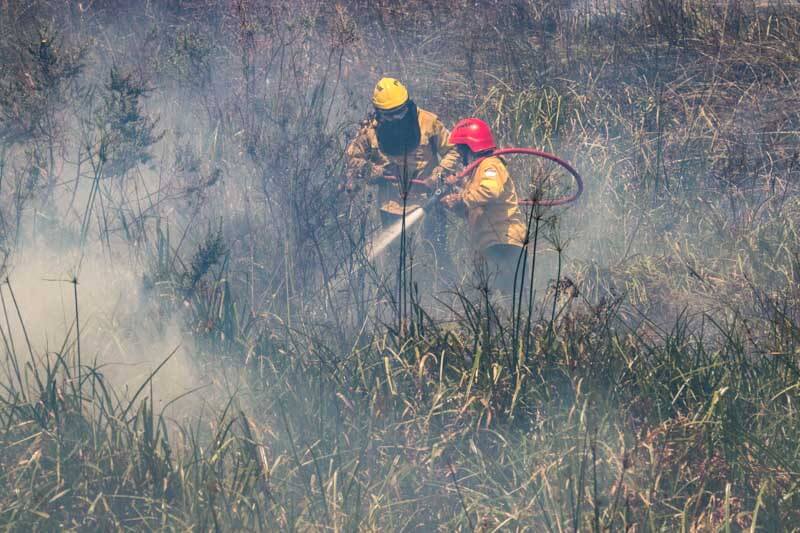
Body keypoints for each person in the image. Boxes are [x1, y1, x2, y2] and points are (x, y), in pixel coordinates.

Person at [344, 77, 459, 278]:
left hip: (429, 202)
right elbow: (352, 158)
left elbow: (454, 150)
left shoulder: (428, 122)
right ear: (379, 112)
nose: (397, 118)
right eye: (390, 115)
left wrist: (437, 175)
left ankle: (448, 296)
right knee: (398, 262)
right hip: (391, 207)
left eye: (400, 112)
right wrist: (377, 171)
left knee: (438, 255)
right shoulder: (369, 130)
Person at [439, 118, 527, 297]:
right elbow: (473, 210)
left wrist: (462, 199)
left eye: (460, 149)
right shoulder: (475, 174)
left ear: (469, 147)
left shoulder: (490, 164)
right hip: (488, 246)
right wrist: (455, 204)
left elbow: (490, 190)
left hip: (505, 243)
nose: (459, 154)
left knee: (510, 302)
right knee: (486, 305)